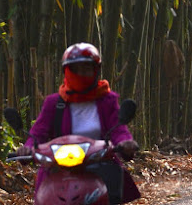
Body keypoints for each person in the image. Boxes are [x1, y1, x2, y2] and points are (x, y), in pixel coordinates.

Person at [16, 42, 140, 204]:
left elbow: (118, 129)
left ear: (96, 71)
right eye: (76, 69)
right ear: (66, 72)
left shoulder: (106, 100)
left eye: (87, 69)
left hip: (98, 162)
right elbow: (38, 132)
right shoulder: (54, 103)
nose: (81, 73)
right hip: (59, 166)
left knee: (112, 187)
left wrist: (125, 143)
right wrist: (28, 147)